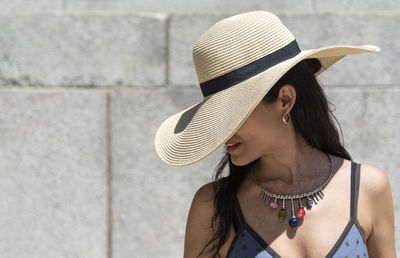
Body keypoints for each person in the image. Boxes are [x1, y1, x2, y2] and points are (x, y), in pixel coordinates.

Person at [154, 11, 396, 258]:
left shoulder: (367, 188)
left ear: (285, 100)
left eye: (231, 115)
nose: (222, 133)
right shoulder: (212, 207)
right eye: (217, 119)